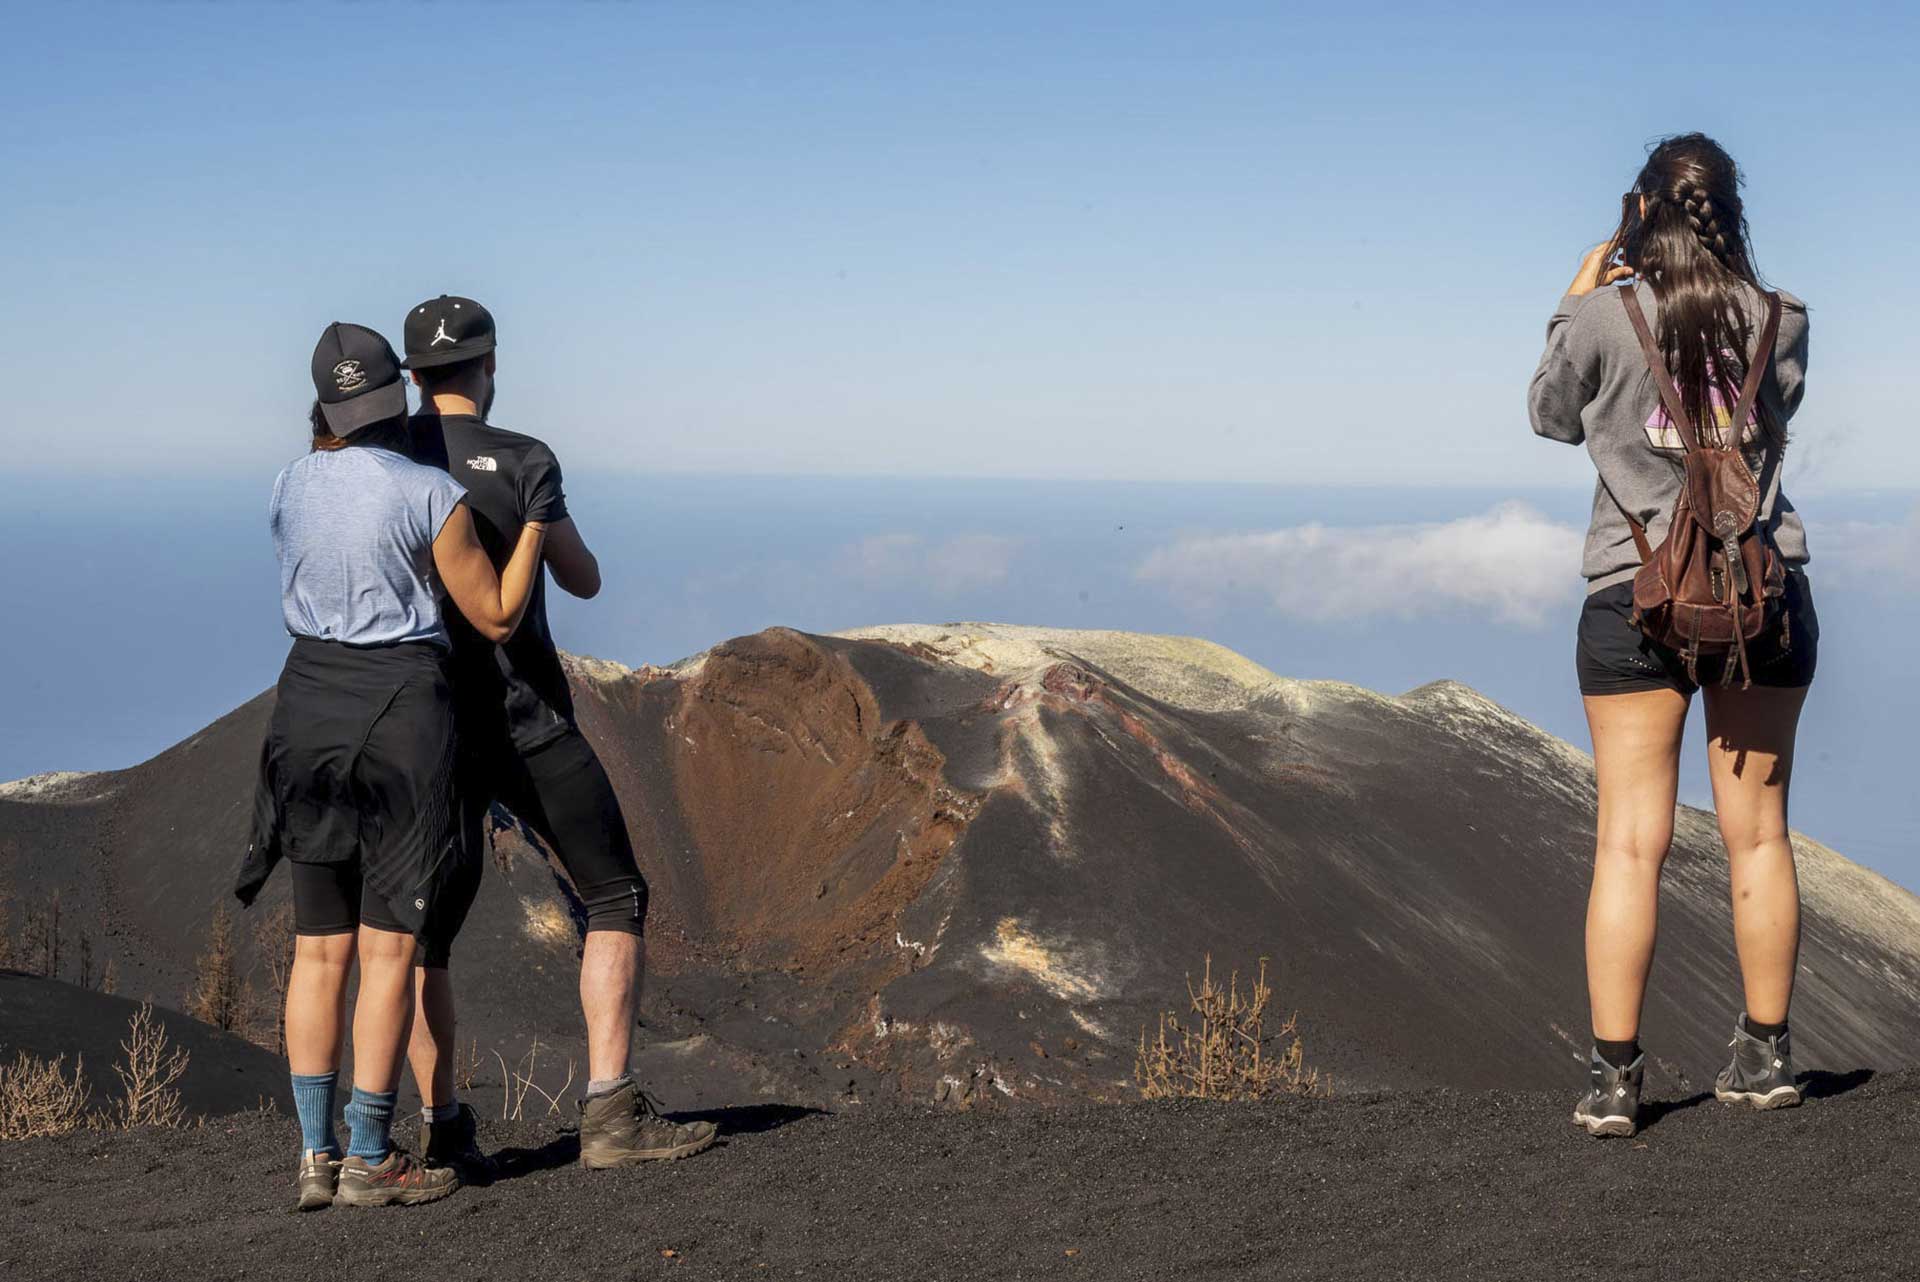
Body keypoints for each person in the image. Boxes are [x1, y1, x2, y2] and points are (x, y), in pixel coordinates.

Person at [1528, 134, 1816, 1138]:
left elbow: (1549, 416)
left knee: (1629, 840)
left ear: (1640, 211)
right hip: (1760, 597)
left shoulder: (1604, 318)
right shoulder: (1783, 319)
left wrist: (1577, 297)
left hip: (1632, 595)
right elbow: (1764, 423)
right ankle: (1769, 1055)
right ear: (1730, 212)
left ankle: (1615, 1080)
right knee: (1761, 834)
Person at [399, 294, 717, 1168]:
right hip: (526, 717)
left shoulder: (388, 456)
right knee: (614, 895)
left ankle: (442, 1126)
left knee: (426, 934)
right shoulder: (525, 458)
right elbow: (583, 580)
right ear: (488, 367)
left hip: (422, 726)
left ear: (414, 375)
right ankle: (611, 1112)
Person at [236, 322, 548, 1208]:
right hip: (402, 713)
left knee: (317, 952)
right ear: (394, 399)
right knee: (388, 953)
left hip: (303, 710)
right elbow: (492, 616)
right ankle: (373, 1157)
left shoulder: (288, 484)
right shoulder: (428, 492)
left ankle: (315, 1155)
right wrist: (532, 523)